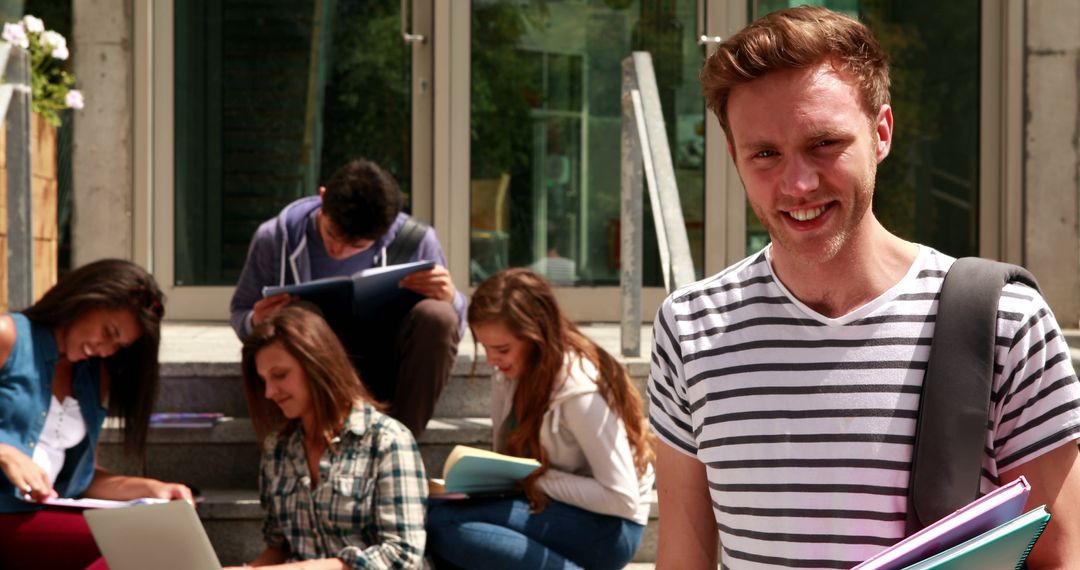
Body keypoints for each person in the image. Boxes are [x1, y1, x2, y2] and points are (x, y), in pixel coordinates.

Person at [648, 5, 1080, 569]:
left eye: (824, 144)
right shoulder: (690, 327)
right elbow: (685, 558)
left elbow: (1057, 558)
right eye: (765, 154)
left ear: (881, 133)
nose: (797, 183)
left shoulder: (1006, 320)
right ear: (733, 156)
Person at [427, 268, 654, 569]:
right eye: (484, 348)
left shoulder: (578, 389)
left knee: (445, 527)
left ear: (536, 337)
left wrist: (536, 479)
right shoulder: (509, 373)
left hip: (608, 527)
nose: (492, 360)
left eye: (502, 349)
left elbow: (620, 498)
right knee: (433, 516)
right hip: (548, 504)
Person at [229, 158, 465, 437]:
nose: (338, 251)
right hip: (312, 367)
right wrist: (257, 319)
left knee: (438, 316)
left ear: (387, 229)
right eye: (332, 234)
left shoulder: (417, 240)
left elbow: (452, 329)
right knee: (300, 315)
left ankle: (400, 445)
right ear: (323, 197)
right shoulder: (277, 238)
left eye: (356, 246)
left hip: (388, 364)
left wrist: (450, 299)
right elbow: (240, 312)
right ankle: (313, 446)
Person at [0, 259, 194, 570]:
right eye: (109, 332)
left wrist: (150, 489)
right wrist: (5, 452)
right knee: (137, 545)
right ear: (87, 299)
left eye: (118, 345)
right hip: (7, 513)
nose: (105, 349)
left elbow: (85, 478)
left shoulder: (94, 376)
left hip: (50, 516)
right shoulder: (9, 336)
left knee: (160, 535)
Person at [228, 305, 427, 569]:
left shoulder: (388, 441)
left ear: (317, 365)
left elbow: (402, 555)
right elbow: (279, 545)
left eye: (280, 375)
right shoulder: (277, 449)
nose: (269, 392)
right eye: (264, 380)